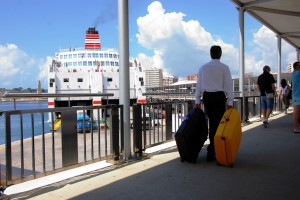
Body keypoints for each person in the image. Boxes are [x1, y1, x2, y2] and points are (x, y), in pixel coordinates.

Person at [194, 45, 233, 161]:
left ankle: (212, 150)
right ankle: (213, 150)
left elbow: (199, 85)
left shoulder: (203, 68)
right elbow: (229, 86)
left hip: (207, 97)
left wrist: (197, 100)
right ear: (220, 54)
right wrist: (230, 101)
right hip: (220, 97)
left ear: (210, 53)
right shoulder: (225, 68)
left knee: (211, 121)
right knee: (218, 124)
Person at [291, 61, 300, 133]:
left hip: (296, 95)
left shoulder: (294, 73)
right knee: (296, 112)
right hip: (297, 95)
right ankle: (296, 128)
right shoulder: (297, 73)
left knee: (297, 112)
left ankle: (296, 127)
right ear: (296, 66)